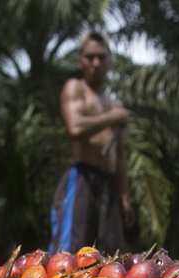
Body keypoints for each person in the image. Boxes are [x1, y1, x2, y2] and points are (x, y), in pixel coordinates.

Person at [48, 32, 134, 254]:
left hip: (108, 184)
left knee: (112, 255)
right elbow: (75, 128)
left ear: (110, 61)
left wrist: (123, 195)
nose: (96, 63)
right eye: (90, 57)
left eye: (101, 57)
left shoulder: (113, 102)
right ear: (80, 61)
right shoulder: (76, 88)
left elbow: (119, 154)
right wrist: (112, 118)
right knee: (69, 253)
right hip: (82, 178)